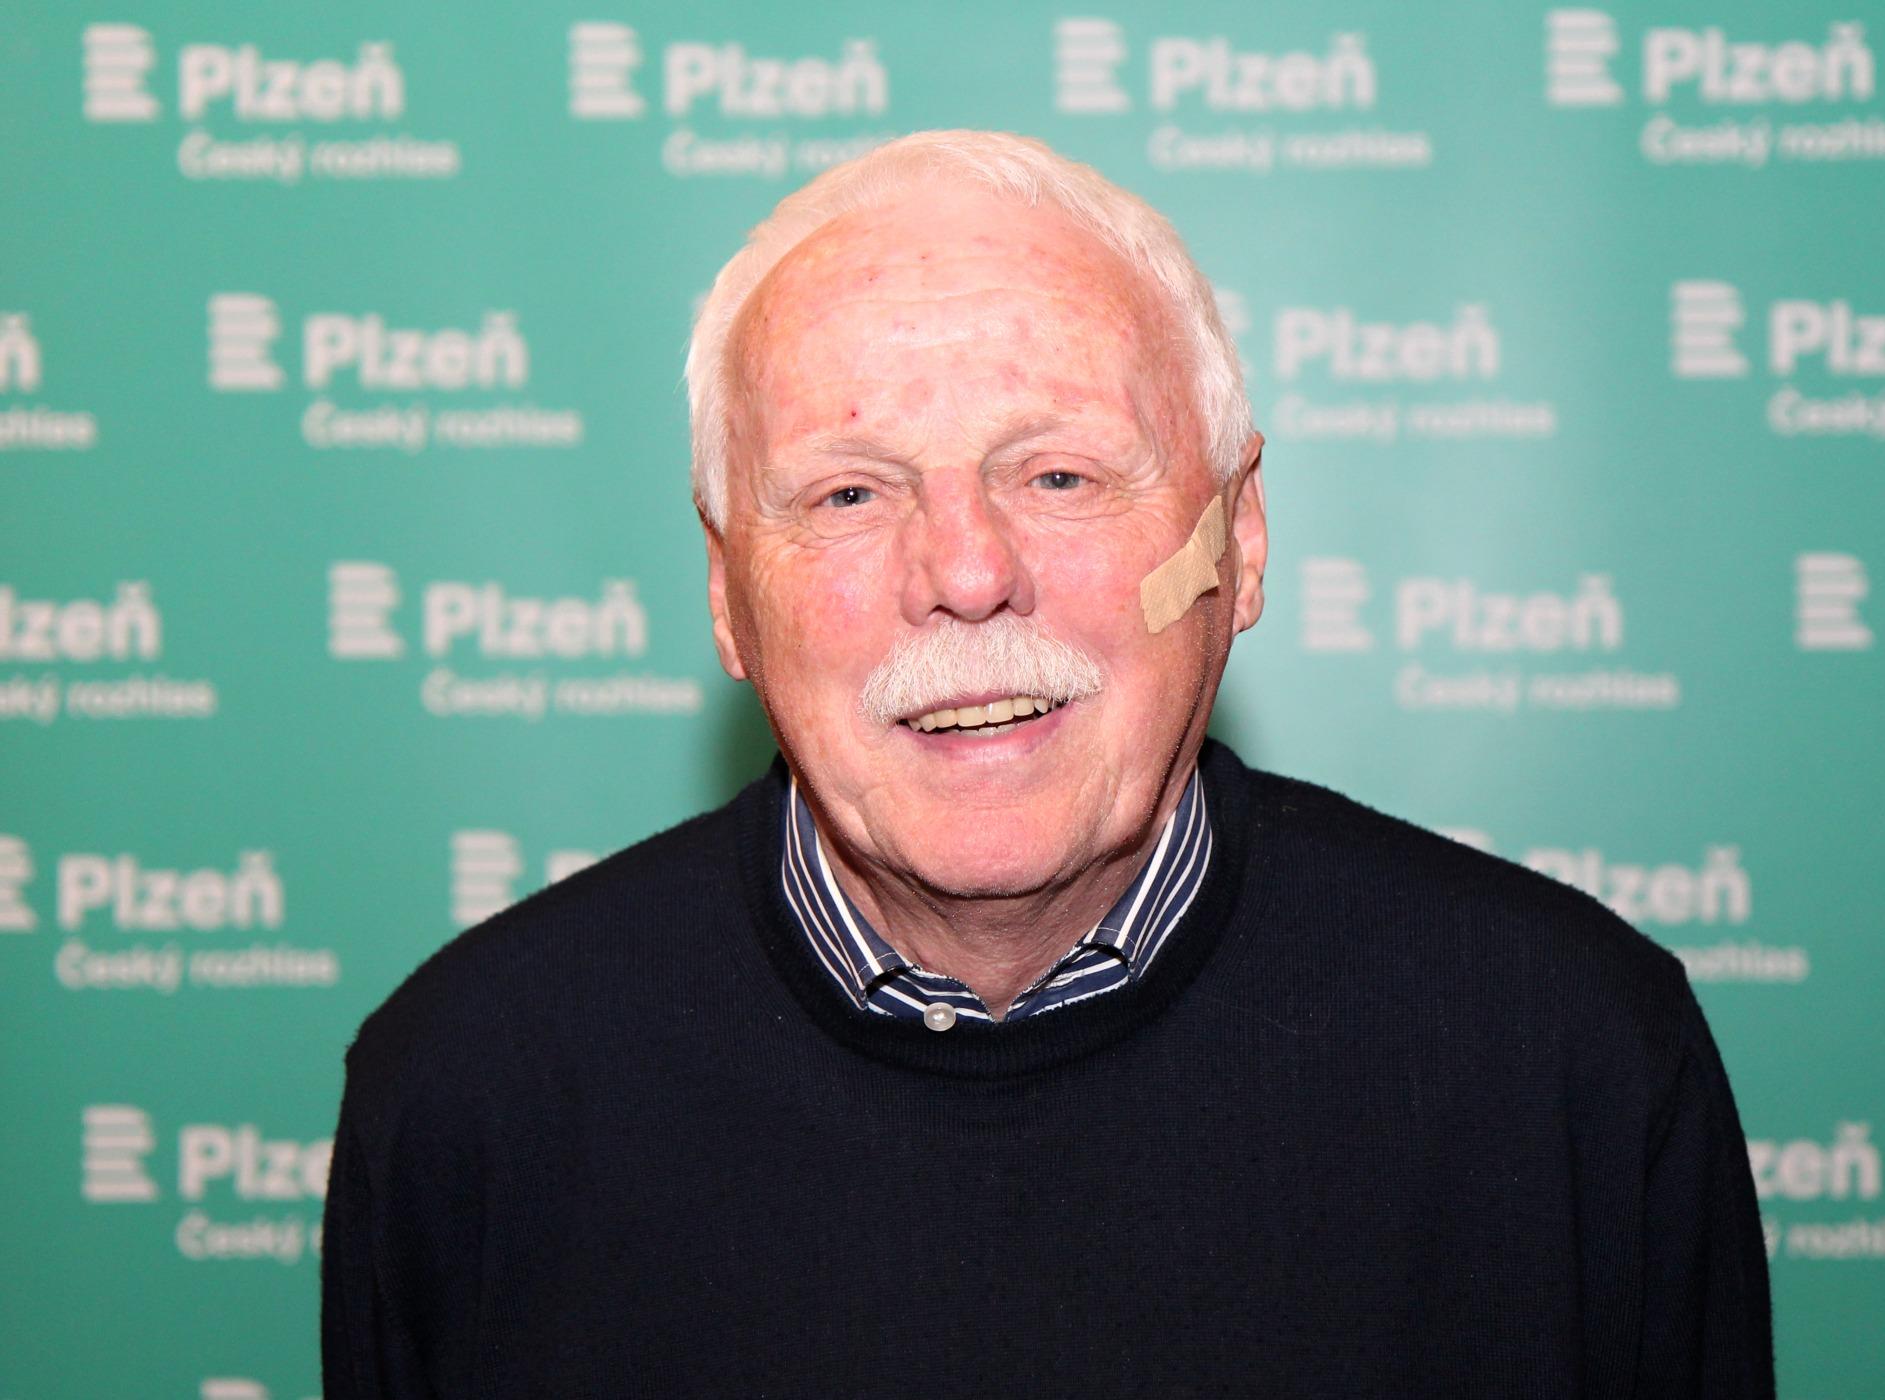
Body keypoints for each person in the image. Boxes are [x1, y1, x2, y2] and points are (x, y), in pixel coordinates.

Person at [321, 129, 1774, 1397]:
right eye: (849, 493)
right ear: (727, 596)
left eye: (1060, 474)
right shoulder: (473, 1096)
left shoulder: (1572, 1062)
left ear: (1239, 538)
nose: (966, 574)